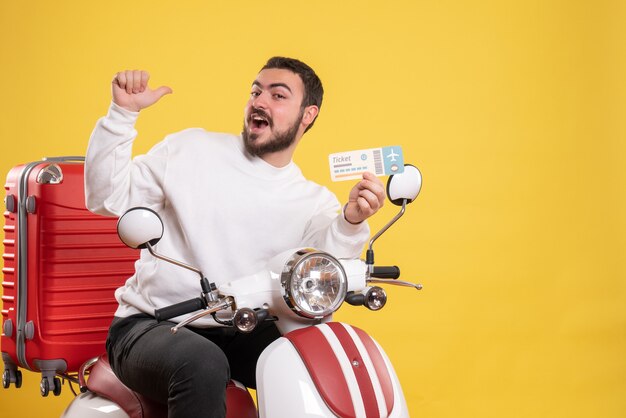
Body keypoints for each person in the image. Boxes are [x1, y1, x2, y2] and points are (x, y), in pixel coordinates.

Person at [85, 57, 385, 418]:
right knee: (202, 362)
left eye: (278, 95)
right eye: (256, 91)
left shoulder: (313, 201)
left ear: (307, 115)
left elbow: (324, 274)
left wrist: (352, 221)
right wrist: (122, 114)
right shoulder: (190, 150)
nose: (259, 101)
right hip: (153, 326)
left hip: (243, 327)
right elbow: (105, 198)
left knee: (323, 351)